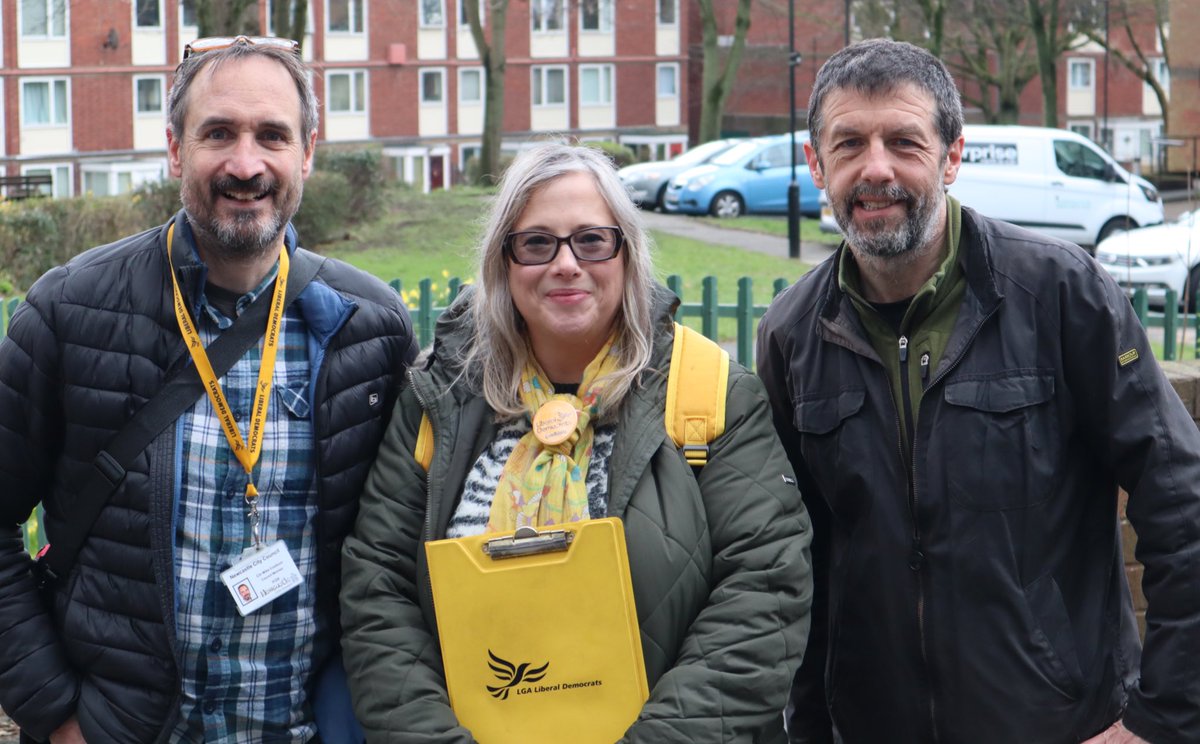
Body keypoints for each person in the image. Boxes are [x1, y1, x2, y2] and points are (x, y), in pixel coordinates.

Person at [757, 38, 1200, 744]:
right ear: (817, 165)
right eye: (849, 145)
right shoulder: (790, 334)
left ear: (952, 156)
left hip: (1061, 724)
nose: (876, 169)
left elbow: (1182, 504)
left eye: (904, 141)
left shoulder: (1061, 294)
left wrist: (1162, 719)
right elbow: (795, 561)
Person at [0, 37, 418, 743]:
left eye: (272, 136)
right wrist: (59, 716)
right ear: (174, 149)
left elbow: (397, 556)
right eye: (218, 133)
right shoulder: (68, 313)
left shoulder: (370, 331)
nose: (246, 163)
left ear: (308, 151)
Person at [340, 142, 813, 742]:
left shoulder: (712, 393)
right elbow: (377, 589)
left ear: (627, 253)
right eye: (537, 243)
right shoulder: (441, 396)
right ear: (503, 261)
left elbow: (763, 592)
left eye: (591, 240)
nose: (566, 263)